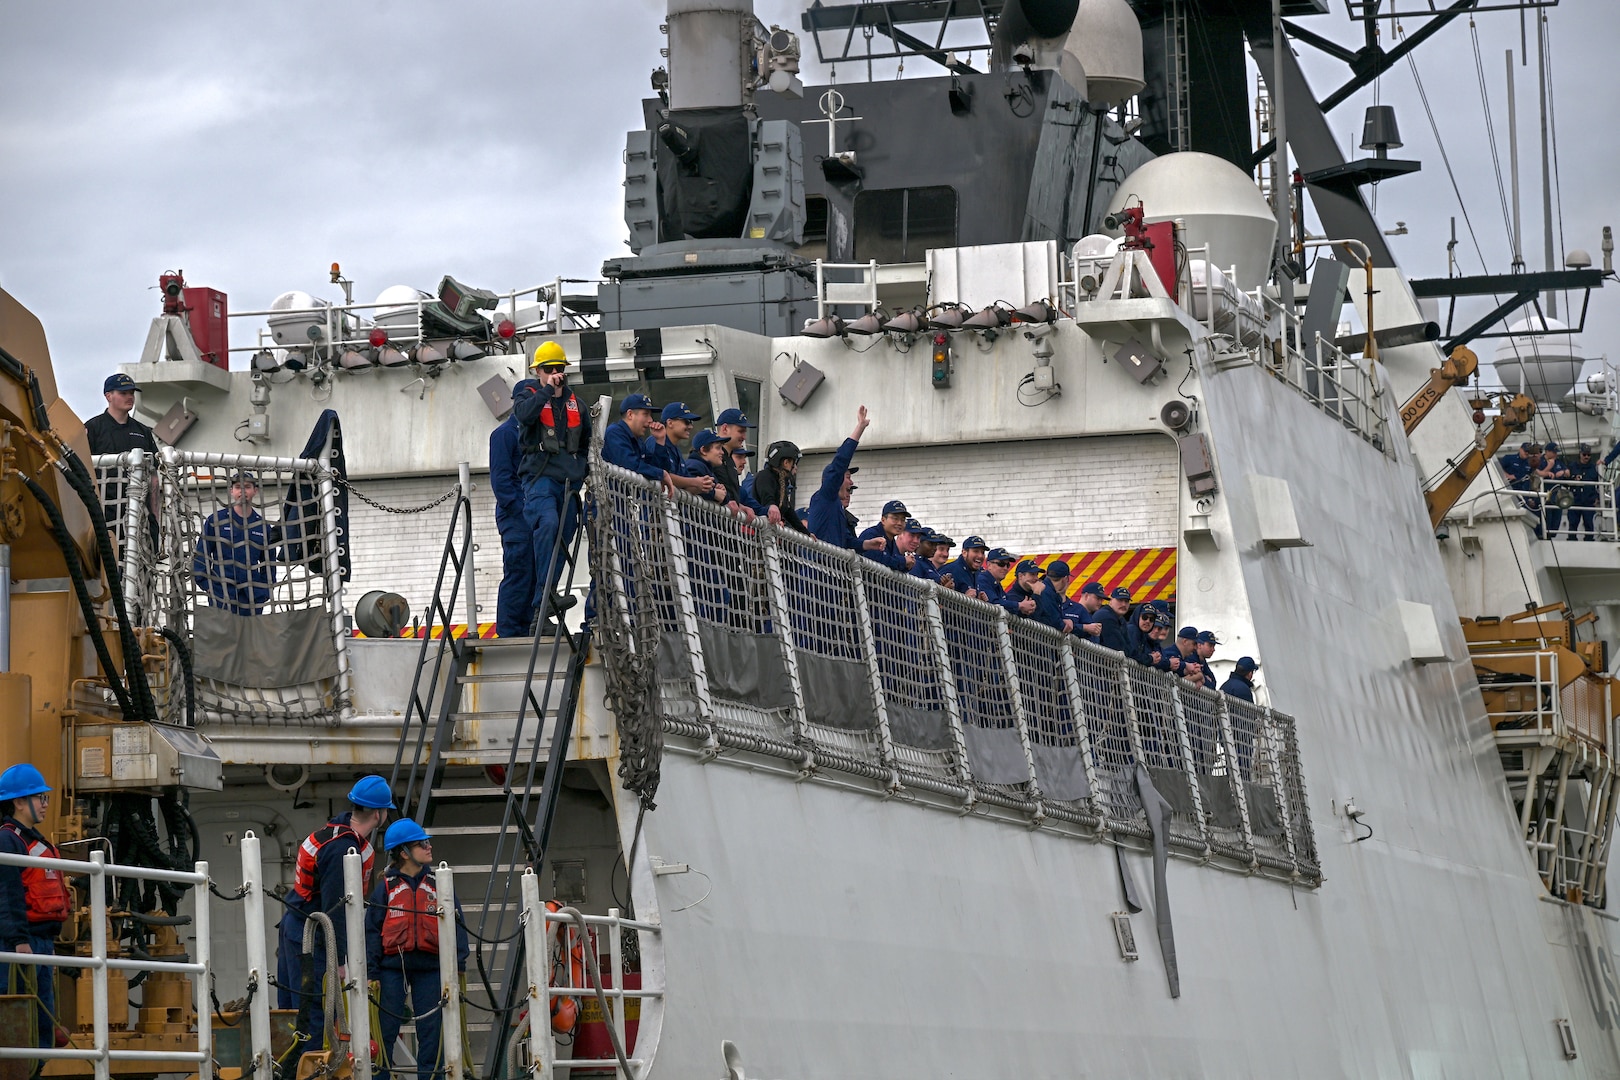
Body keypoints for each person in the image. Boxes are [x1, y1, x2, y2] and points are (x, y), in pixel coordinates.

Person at [277, 776, 395, 1072]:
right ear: (379, 814)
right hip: (312, 935)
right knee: (313, 1013)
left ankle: (292, 1072)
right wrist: (340, 959)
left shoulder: (335, 830)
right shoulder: (343, 849)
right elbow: (335, 909)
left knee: (295, 1009)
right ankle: (310, 1073)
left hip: (296, 926)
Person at [365, 820, 469, 1080]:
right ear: (404, 852)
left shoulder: (438, 884)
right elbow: (371, 932)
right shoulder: (385, 890)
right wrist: (371, 972)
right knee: (384, 1031)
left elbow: (457, 925)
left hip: (431, 969)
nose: (429, 846)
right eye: (422, 843)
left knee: (431, 1033)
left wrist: (459, 965)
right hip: (391, 970)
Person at [514, 343, 590, 624]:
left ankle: (544, 605)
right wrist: (546, 391)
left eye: (560, 369)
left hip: (568, 484)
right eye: (549, 370)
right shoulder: (528, 395)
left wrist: (580, 471)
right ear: (539, 372)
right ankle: (542, 600)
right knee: (546, 527)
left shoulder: (576, 405)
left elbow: (584, 444)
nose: (556, 373)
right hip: (540, 480)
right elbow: (523, 416)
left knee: (563, 537)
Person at [0, 764, 70, 1053]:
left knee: (42, 1020)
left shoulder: (33, 841)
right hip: (20, 944)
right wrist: (19, 941)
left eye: (45, 798)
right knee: (18, 1017)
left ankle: (35, 1068)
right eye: (40, 797)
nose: (44, 804)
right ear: (19, 802)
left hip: (40, 942)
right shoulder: (8, 840)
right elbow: (7, 895)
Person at [85, 373, 160, 543]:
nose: (129, 397)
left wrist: (155, 517)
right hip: (104, 512)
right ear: (108, 396)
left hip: (139, 513)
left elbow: (154, 476)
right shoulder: (93, 428)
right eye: (123, 393)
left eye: (131, 393)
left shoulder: (143, 431)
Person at [192, 471, 277, 615]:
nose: (242, 491)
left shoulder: (262, 526)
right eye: (238, 487)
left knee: (249, 637)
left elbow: (269, 563)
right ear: (231, 491)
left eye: (247, 487)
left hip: (251, 599)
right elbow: (201, 556)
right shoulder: (216, 521)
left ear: (255, 491)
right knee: (224, 637)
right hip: (222, 596)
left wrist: (264, 593)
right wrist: (209, 587)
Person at [602, 393, 717, 498]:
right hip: (609, 504)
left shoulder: (639, 441)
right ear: (630, 414)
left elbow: (658, 467)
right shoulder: (615, 433)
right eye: (645, 414)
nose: (650, 420)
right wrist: (661, 474)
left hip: (625, 507)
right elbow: (629, 464)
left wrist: (660, 441)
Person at [490, 403, 535, 637]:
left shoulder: (529, 432)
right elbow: (502, 482)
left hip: (528, 513)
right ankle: (509, 632)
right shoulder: (504, 435)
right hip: (516, 517)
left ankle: (524, 628)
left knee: (532, 572)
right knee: (519, 571)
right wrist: (521, 510)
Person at [806, 407, 870, 550]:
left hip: (831, 570)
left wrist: (867, 544)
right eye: (847, 477)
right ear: (832, 480)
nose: (851, 482)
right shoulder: (825, 497)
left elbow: (845, 541)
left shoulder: (836, 507)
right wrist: (860, 428)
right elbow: (840, 462)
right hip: (818, 570)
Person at [713, 409, 766, 521]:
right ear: (725, 428)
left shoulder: (729, 461)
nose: (744, 437)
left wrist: (742, 507)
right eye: (741, 431)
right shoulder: (710, 455)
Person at [753, 441, 807, 531]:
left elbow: (788, 511)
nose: (796, 468)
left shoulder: (781, 482)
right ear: (786, 463)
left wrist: (806, 533)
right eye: (794, 463)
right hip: (758, 532)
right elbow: (767, 500)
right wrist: (772, 508)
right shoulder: (765, 476)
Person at [646, 401, 701, 475]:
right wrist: (695, 482)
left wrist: (704, 483)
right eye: (687, 421)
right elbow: (661, 475)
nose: (690, 427)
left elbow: (685, 477)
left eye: (691, 422)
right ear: (670, 423)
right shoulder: (655, 440)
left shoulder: (676, 449)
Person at [858, 499, 914, 571]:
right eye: (895, 518)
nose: (899, 523)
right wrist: (903, 561)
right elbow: (877, 561)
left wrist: (907, 565)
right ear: (883, 520)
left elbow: (893, 566)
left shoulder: (892, 542)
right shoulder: (871, 535)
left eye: (903, 520)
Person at [1536, 442, 1569, 538]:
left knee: (1556, 519)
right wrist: (1549, 467)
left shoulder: (1558, 461)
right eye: (1554, 452)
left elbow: (1567, 472)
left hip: (1556, 496)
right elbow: (1539, 473)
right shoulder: (1540, 461)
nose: (1556, 454)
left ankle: (1551, 534)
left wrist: (1562, 472)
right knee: (1546, 519)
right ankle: (1544, 535)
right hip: (1545, 495)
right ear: (1547, 452)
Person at [1567, 444, 1600, 540]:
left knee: (1589, 523)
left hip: (1588, 500)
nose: (1586, 457)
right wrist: (1573, 478)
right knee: (1573, 523)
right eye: (1584, 454)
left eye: (1588, 455)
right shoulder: (1572, 466)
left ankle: (1589, 540)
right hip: (1575, 499)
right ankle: (1571, 540)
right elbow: (1565, 480)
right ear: (1580, 454)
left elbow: (1598, 484)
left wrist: (1597, 497)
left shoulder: (1594, 468)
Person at [1093, 587, 1133, 652]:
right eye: (1120, 600)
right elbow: (1116, 647)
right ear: (1111, 601)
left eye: (1126, 601)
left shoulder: (1121, 619)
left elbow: (1128, 646)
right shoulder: (1105, 616)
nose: (1123, 604)